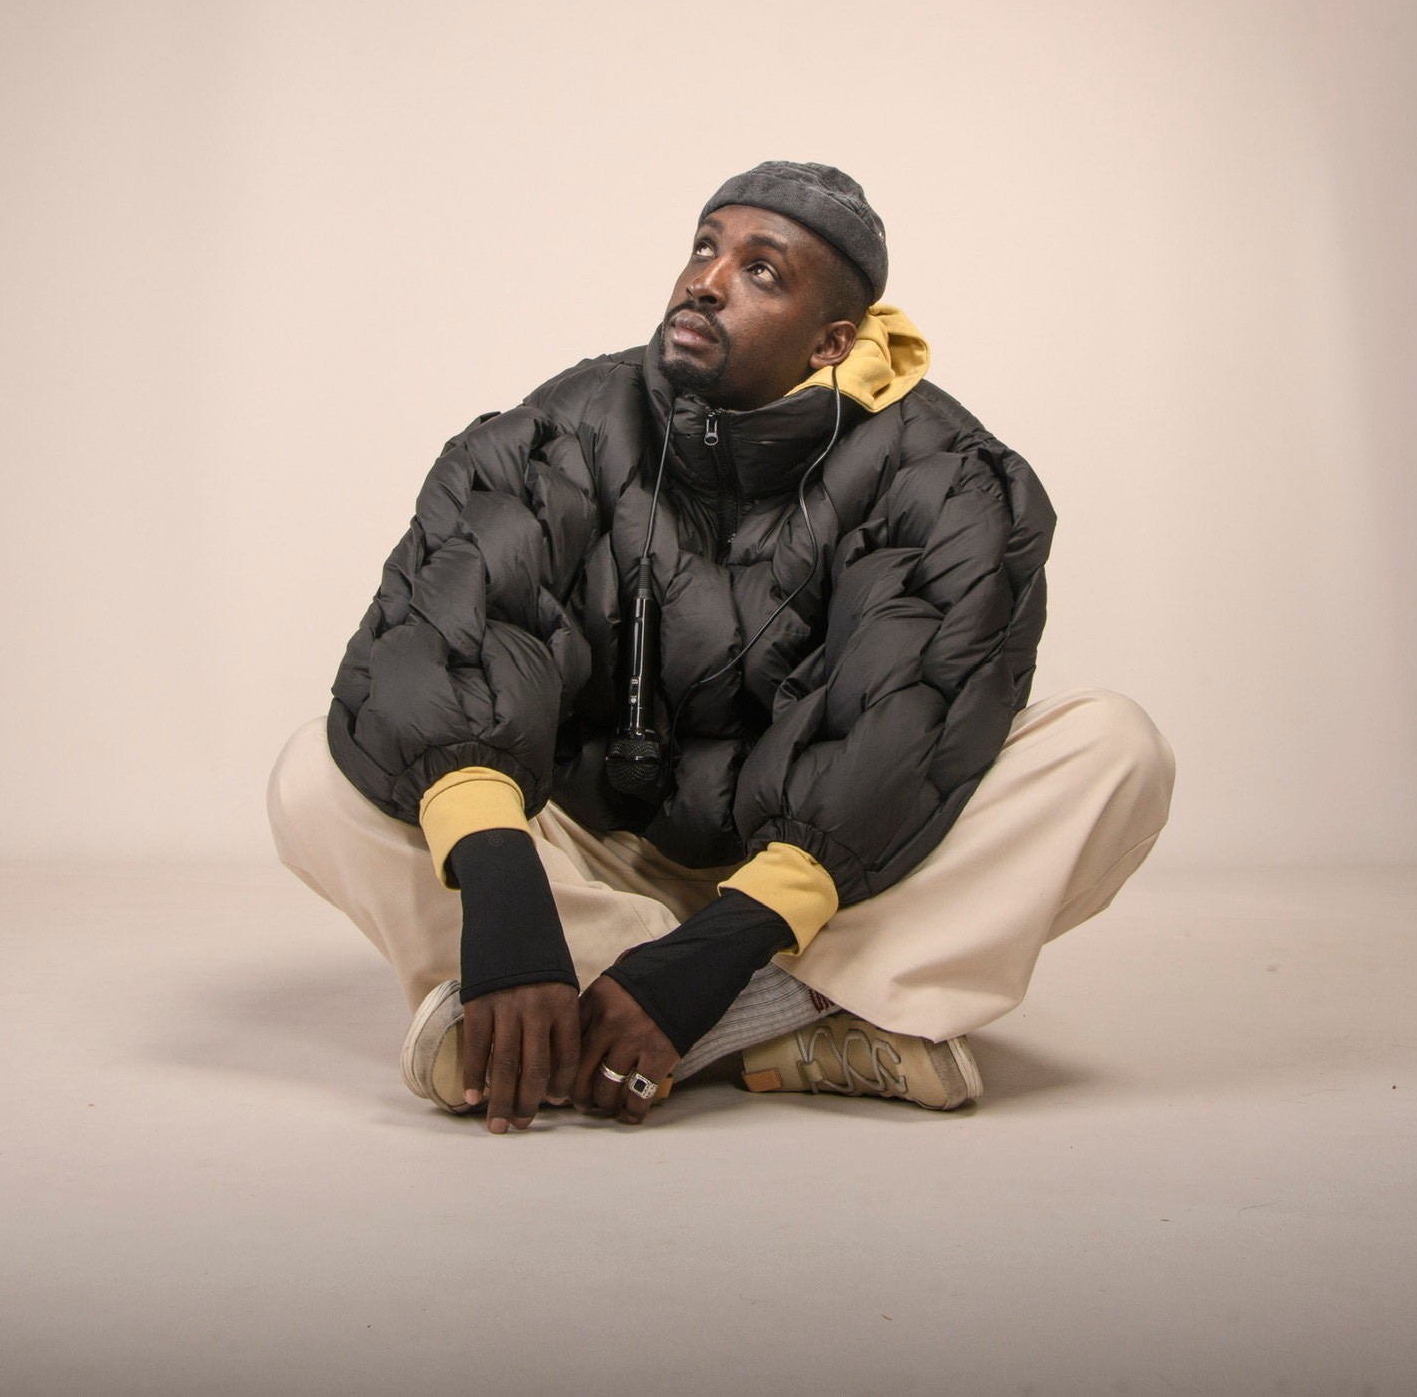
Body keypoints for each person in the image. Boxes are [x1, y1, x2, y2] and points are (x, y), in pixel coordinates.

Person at [267, 161, 1174, 1133]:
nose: (705, 280)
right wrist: (503, 886)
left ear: (833, 341)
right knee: (315, 779)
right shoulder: (576, 417)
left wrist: (719, 949)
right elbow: (454, 632)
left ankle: (610, 1025)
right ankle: (767, 1017)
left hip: (825, 883)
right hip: (599, 858)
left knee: (1112, 750)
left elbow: (903, 728)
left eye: (760, 271)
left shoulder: (945, 471)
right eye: (705, 248)